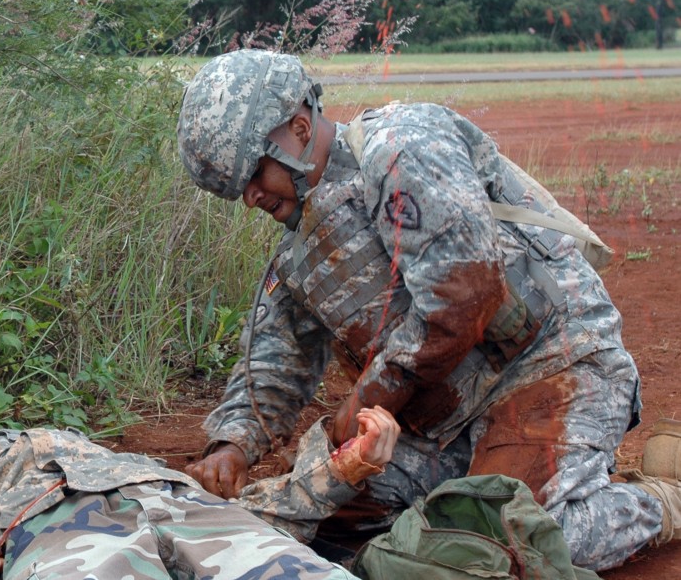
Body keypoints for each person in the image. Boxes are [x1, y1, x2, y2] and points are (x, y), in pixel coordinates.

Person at [175, 49, 681, 571]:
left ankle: (665, 500)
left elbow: (464, 294)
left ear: (299, 127)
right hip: (441, 424)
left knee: (506, 542)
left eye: (254, 175)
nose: (251, 198)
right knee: (325, 526)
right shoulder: (300, 251)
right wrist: (231, 445)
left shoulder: (402, 147)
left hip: (551, 370)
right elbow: (274, 362)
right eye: (237, 191)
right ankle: (489, 484)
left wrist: (370, 397)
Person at [0, 371, 401, 579]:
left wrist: (337, 471)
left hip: (182, 509)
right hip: (52, 539)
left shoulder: (68, 443)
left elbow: (232, 517)